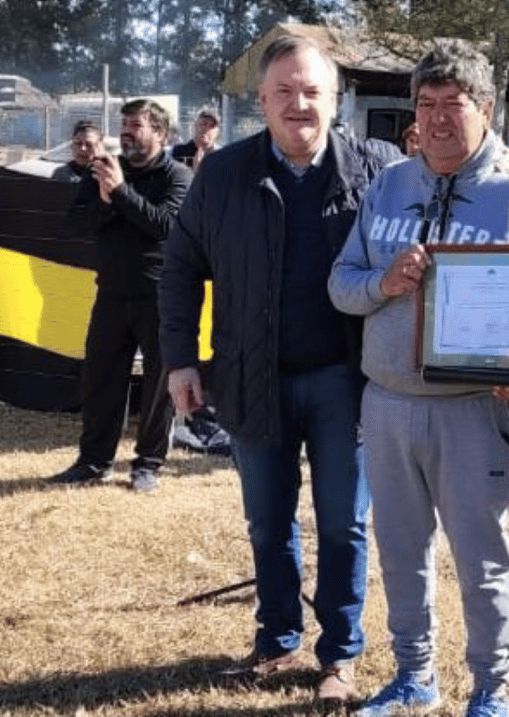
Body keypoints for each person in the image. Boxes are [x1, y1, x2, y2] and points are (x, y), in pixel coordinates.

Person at [160, 35, 392, 703]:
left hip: (344, 379)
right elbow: (180, 270)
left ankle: (340, 654)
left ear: (335, 99)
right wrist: (179, 359)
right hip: (250, 375)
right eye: (284, 92)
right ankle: (277, 635)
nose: (299, 104)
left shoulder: (374, 170)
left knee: (345, 521)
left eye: (313, 91)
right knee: (268, 517)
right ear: (260, 100)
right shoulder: (223, 173)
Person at [328, 39, 509, 717]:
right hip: (388, 401)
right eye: (425, 105)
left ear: (484, 108)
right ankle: (413, 674)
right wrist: (385, 282)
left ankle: (490, 689)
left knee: (482, 557)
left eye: (452, 105)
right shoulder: (390, 185)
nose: (436, 119)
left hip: (469, 410)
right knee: (400, 550)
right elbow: (340, 285)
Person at [48, 99, 191, 492]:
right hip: (111, 293)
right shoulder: (104, 172)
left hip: (160, 297)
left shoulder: (178, 176)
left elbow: (165, 226)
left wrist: (121, 193)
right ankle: (93, 463)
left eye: (136, 125)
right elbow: (76, 224)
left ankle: (147, 465)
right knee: (100, 381)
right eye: (124, 123)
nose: (126, 131)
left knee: (158, 387)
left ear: (160, 133)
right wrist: (109, 198)